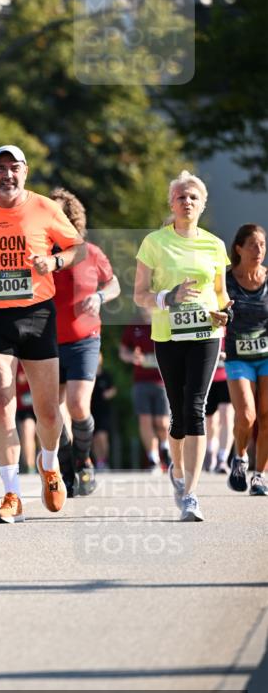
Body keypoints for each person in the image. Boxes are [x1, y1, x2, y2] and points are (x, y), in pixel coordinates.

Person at [0, 144, 86, 522]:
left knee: (48, 413)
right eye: (1, 168)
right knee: (1, 400)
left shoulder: (45, 208)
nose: (8, 175)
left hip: (38, 314)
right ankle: (11, 493)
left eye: (15, 168)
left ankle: (49, 464)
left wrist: (54, 261)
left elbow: (78, 248)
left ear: (25, 172)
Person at [134, 170, 232, 521]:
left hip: (206, 335)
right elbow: (139, 295)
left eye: (193, 197)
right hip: (168, 336)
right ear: (171, 203)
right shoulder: (154, 243)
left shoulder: (215, 245)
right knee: (177, 418)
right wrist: (167, 297)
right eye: (181, 196)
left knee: (195, 408)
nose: (187, 202)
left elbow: (221, 293)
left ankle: (191, 494)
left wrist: (224, 313)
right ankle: (176, 470)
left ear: (202, 204)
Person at [49, 187, 121, 495]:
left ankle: (84, 462)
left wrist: (100, 296)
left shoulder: (90, 253)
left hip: (84, 339)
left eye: (60, 215)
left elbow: (114, 283)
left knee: (78, 404)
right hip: (47, 341)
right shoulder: (39, 255)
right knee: (53, 411)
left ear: (72, 219)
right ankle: (67, 468)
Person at [224, 223, 268, 496]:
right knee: (247, 415)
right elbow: (213, 309)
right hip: (238, 357)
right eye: (252, 244)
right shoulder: (226, 280)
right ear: (238, 248)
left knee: (267, 416)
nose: (259, 250)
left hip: (266, 357)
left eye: (262, 245)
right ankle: (239, 458)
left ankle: (260, 477)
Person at [119, 311, 171, 472]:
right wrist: (131, 357)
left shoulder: (166, 319)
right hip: (141, 381)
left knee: (162, 423)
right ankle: (153, 459)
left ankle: (166, 448)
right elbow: (123, 351)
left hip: (163, 381)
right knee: (145, 421)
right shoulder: (134, 323)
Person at [203, 338, 234, 474]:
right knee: (210, 421)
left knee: (226, 416)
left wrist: (227, 354)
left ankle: (223, 458)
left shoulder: (232, 324)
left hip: (228, 376)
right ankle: (211, 451)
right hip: (207, 377)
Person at [90, 352, 116, 470]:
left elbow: (113, 389)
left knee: (102, 436)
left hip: (104, 410)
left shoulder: (106, 375)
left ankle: (105, 459)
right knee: (94, 437)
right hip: (91, 409)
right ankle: (99, 462)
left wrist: (108, 394)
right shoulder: (89, 375)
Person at [16, 365, 38, 473]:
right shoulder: (13, 359)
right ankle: (30, 466)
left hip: (42, 400)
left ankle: (52, 464)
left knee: (47, 432)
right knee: (27, 430)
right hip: (25, 405)